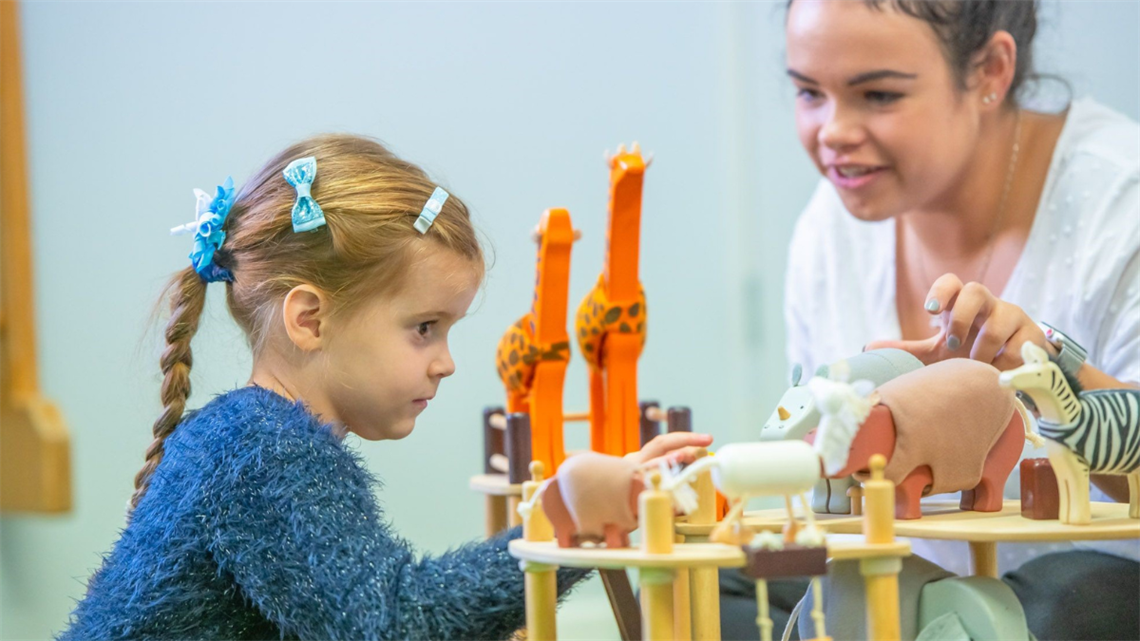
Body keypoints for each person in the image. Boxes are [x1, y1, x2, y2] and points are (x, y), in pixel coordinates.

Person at [57, 134, 712, 640]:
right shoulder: (268, 453)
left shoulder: (245, 436)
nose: (446, 362)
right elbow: (395, 623)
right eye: (424, 327)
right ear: (310, 319)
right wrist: (568, 523)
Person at [724, 1, 1140, 639]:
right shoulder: (827, 230)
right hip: (901, 583)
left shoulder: (1120, 206)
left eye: (879, 94)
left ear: (990, 70)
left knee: (1063, 598)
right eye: (809, 92)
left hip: (1084, 598)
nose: (832, 131)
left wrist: (1053, 367)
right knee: (729, 578)